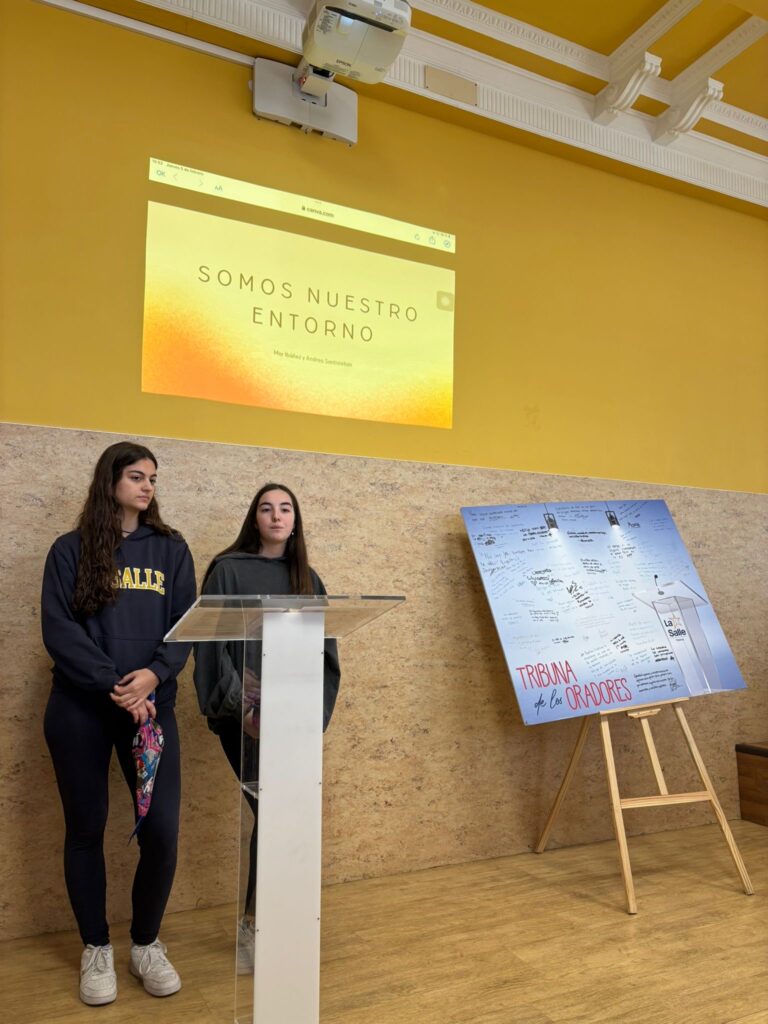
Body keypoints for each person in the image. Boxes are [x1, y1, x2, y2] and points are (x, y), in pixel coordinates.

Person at [41, 442, 196, 1006]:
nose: (147, 486)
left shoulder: (172, 549)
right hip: (80, 709)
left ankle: (146, 944)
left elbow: (186, 623)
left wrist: (153, 676)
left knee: (161, 831)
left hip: (151, 711)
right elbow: (59, 629)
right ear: (110, 481)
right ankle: (96, 949)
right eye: (136, 476)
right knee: (86, 829)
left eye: (152, 477)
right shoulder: (70, 549)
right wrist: (116, 684)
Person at [192, 483, 340, 973]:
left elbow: (324, 655)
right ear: (254, 518)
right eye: (266, 508)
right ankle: (254, 925)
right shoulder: (227, 571)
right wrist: (247, 711)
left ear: (295, 522)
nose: (276, 516)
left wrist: (304, 717)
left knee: (283, 817)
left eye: (285, 509)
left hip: (291, 721)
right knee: (272, 811)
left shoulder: (308, 579)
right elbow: (212, 647)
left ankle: (268, 920)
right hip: (245, 721)